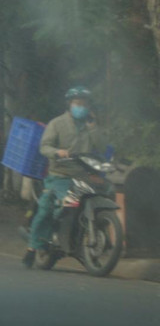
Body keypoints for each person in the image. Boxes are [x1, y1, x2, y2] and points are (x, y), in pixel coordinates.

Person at [23, 85, 107, 267]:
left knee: (103, 195)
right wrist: (58, 152)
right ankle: (34, 245)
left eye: (84, 103)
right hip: (59, 176)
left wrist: (93, 128)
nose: (81, 107)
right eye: (78, 103)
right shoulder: (57, 124)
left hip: (83, 176)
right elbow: (44, 147)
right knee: (48, 209)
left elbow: (102, 147)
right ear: (70, 104)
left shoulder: (90, 125)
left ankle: (82, 244)